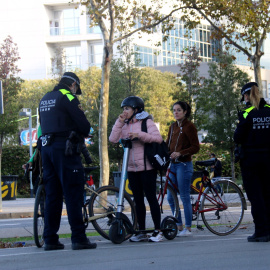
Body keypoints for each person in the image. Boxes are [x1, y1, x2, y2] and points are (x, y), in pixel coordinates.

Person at [39, 71, 97, 251]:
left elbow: (42, 125)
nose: (75, 91)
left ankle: (50, 239)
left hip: (46, 149)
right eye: (76, 88)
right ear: (73, 85)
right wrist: (85, 131)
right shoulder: (67, 96)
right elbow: (84, 125)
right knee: (73, 192)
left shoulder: (45, 98)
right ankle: (79, 238)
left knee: (53, 195)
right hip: (65, 149)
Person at [109, 96, 164, 242]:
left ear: (136, 109)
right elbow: (113, 139)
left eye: (127, 108)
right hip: (132, 169)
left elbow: (158, 138)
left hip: (147, 167)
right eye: (123, 109)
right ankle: (141, 231)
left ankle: (158, 230)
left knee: (151, 198)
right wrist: (119, 122)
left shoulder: (147, 122)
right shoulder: (124, 125)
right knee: (137, 201)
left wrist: (139, 135)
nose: (124, 111)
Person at [234, 82, 270, 242]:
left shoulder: (247, 113)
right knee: (268, 195)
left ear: (247, 96)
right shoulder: (269, 110)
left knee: (256, 197)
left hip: (251, 161)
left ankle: (262, 231)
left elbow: (238, 137)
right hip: (268, 159)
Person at [166, 101, 200, 237]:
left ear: (185, 112)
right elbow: (168, 144)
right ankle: (178, 225)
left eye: (179, 110)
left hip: (184, 165)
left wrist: (181, 153)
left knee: (184, 195)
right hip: (172, 164)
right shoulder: (172, 127)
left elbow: (196, 147)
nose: (176, 112)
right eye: (174, 110)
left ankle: (188, 227)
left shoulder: (189, 126)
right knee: (170, 197)